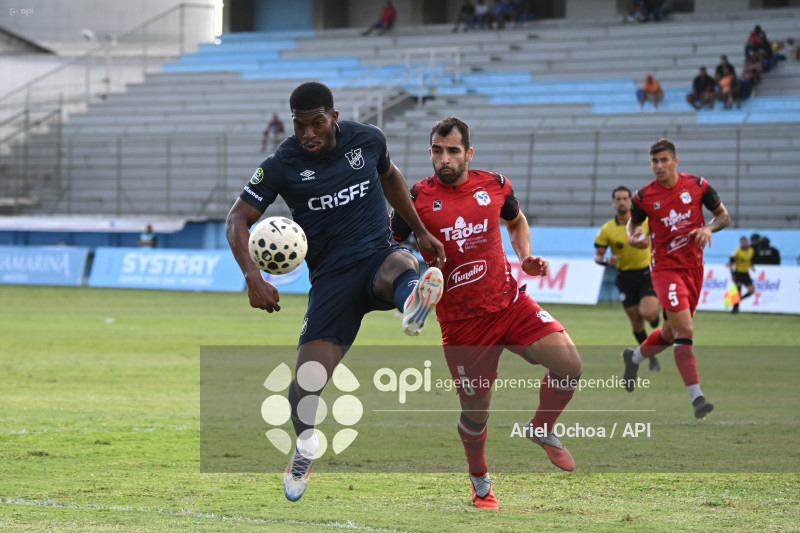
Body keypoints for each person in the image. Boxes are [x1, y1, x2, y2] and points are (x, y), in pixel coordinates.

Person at [225, 81, 446, 503]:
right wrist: (252, 276)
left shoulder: (368, 140)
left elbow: (391, 178)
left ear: (334, 118)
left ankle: (415, 300)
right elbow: (237, 218)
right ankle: (305, 446)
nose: (308, 133)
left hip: (377, 255)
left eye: (317, 123)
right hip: (330, 281)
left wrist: (419, 230)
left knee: (401, 264)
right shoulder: (281, 164)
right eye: (300, 125)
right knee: (305, 385)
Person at [391, 117, 582, 510]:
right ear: (430, 151)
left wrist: (525, 257)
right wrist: (411, 280)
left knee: (570, 364)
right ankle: (481, 483)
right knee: (476, 415)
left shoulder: (495, 185)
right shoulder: (413, 199)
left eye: (453, 151)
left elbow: (516, 221)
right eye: (437, 151)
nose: (444, 159)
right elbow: (388, 248)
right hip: (462, 326)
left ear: (469, 153)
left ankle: (542, 427)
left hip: (509, 304)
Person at [621, 138, 730, 419]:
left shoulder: (697, 186)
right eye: (654, 161)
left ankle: (633, 359)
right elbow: (633, 224)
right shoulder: (643, 197)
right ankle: (698, 399)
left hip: (694, 268)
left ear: (675, 161)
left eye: (664, 160)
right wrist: (633, 237)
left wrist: (708, 228)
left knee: (670, 333)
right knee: (686, 331)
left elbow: (724, 217)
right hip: (665, 270)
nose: (659, 166)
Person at [594, 186, 661, 371]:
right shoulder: (607, 230)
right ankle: (652, 357)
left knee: (648, 314)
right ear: (613, 202)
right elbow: (598, 256)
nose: (622, 202)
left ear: (630, 201)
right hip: (625, 278)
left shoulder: (644, 222)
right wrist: (608, 260)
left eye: (625, 198)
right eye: (618, 199)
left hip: (646, 273)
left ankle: (656, 319)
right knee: (636, 321)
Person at [726, 236, 755, 314]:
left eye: (745, 242)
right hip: (738, 273)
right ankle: (734, 310)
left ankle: (740, 299)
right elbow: (731, 262)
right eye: (742, 242)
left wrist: (752, 266)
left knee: (751, 290)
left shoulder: (751, 250)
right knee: (738, 291)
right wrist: (732, 274)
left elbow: (750, 260)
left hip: (746, 273)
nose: (744, 243)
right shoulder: (737, 251)